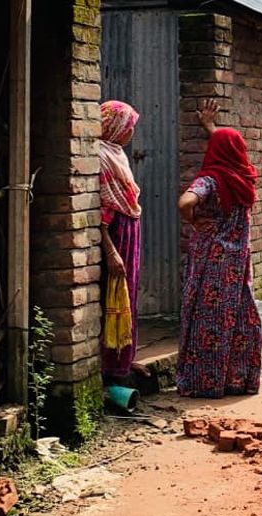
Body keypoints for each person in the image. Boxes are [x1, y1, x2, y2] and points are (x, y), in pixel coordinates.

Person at [176, 99, 262, 398]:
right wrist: (212, 128)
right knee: (238, 319)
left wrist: (195, 221)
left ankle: (204, 383)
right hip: (237, 266)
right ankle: (237, 381)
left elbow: (185, 202)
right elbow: (228, 149)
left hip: (210, 263)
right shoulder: (245, 178)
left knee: (208, 318)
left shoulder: (209, 179)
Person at [98, 100, 144, 385]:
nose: (131, 133)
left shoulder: (115, 154)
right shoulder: (103, 158)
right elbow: (103, 210)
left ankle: (125, 357)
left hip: (128, 230)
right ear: (115, 128)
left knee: (128, 296)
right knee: (115, 296)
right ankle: (112, 365)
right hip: (116, 234)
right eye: (128, 127)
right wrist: (111, 252)